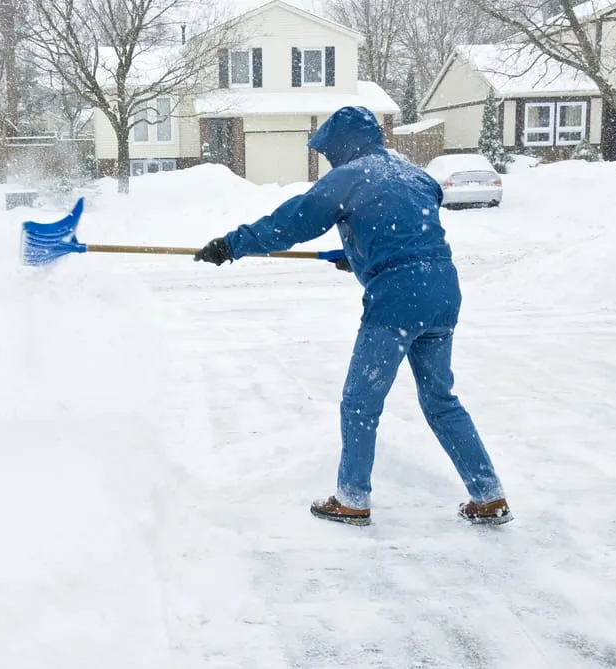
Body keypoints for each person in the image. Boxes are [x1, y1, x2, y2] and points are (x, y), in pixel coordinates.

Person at [193, 106, 511, 526]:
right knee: (440, 401)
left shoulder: (351, 177)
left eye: (329, 151)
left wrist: (232, 244)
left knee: (360, 402)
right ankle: (488, 495)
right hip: (442, 291)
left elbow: (292, 223)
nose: (329, 160)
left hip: (398, 298)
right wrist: (359, 252)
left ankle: (352, 497)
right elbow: (406, 224)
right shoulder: (412, 174)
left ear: (342, 144)